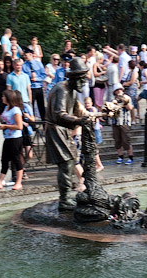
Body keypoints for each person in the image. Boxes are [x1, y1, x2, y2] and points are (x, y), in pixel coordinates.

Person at [45, 57, 92, 210]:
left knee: (71, 162)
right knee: (66, 164)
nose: (85, 82)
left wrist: (87, 116)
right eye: (83, 78)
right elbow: (59, 114)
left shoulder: (71, 91)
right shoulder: (62, 89)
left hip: (63, 130)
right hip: (56, 130)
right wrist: (79, 121)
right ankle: (64, 199)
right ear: (75, 77)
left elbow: (76, 110)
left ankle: (66, 196)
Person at [0, 89, 26, 191]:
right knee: (4, 159)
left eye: (4, 96)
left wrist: (5, 126)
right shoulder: (6, 108)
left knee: (16, 159)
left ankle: (18, 182)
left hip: (15, 138)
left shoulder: (16, 110)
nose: (2, 98)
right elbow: (3, 120)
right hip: (8, 137)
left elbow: (19, 126)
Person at [22, 48, 46, 119]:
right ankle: (32, 123)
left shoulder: (38, 64)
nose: (25, 57)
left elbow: (43, 75)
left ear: (31, 55)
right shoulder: (24, 66)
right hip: (30, 88)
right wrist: (30, 78)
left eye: (26, 55)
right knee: (30, 106)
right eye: (24, 55)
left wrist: (36, 79)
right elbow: (23, 76)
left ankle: (44, 123)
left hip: (38, 87)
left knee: (41, 106)